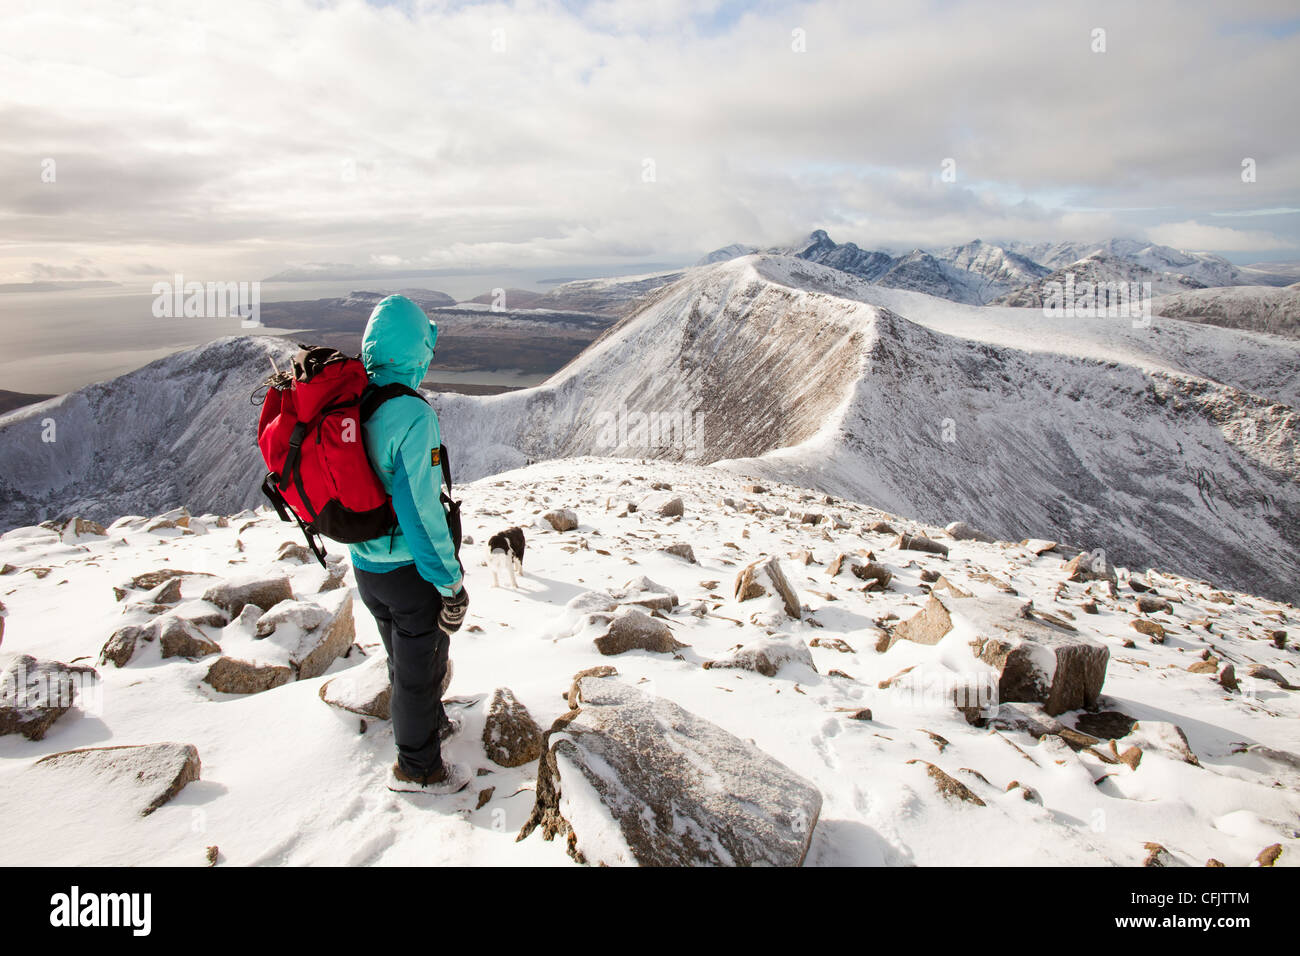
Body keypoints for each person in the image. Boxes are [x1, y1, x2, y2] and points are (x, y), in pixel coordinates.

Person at [348, 294, 470, 794]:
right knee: (417, 672)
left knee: (404, 663)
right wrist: (451, 583)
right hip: (408, 571)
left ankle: (427, 725)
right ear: (416, 349)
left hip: (366, 566)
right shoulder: (411, 416)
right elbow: (420, 513)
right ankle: (417, 770)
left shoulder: (358, 398)